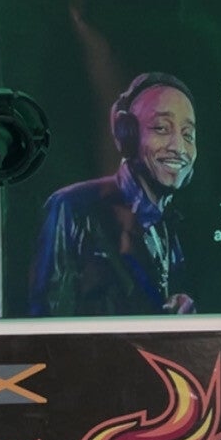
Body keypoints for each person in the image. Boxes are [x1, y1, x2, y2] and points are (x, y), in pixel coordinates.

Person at [29, 72, 198, 316]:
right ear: (126, 133)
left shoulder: (168, 225)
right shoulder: (71, 207)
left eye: (188, 134)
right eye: (161, 128)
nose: (179, 147)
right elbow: (46, 322)